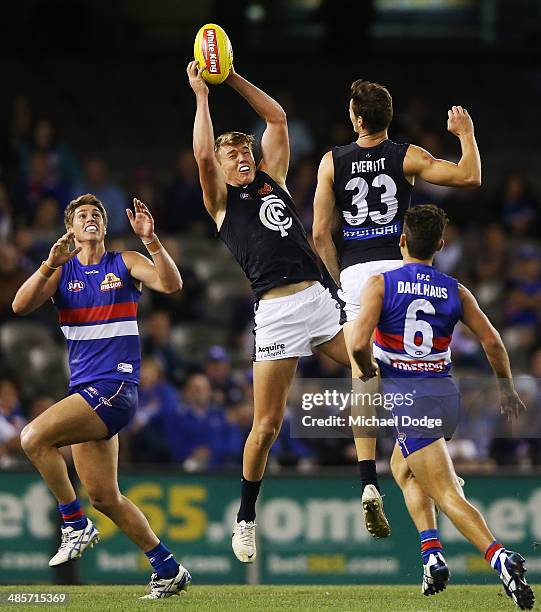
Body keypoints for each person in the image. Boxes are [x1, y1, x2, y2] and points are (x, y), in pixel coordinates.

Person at [187, 60, 350, 563]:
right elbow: (201, 155)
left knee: (378, 365)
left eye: (245, 150)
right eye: (232, 152)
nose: (241, 156)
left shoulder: (272, 178)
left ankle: (420, 453)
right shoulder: (221, 201)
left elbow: (276, 119)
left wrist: (230, 75)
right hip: (277, 312)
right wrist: (202, 95)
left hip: (320, 301)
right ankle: (246, 517)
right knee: (267, 426)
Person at [312, 78, 481, 536]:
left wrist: (336, 281)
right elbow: (469, 177)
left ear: (356, 118)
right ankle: (431, 461)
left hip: (356, 273)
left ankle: (368, 480)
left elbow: (320, 234)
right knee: (414, 370)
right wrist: (464, 133)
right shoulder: (406, 156)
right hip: (400, 267)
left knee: (362, 373)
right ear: (388, 119)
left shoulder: (332, 162)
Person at [351, 205, 534, 610]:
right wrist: (505, 389)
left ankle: (500, 558)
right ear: (440, 244)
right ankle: (431, 554)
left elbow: (359, 344)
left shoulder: (381, 283)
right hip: (444, 397)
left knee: (447, 493)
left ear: (402, 241)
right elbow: (492, 342)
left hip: (410, 399)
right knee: (403, 467)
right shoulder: (456, 289)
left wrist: (367, 373)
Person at [12, 193, 190, 599]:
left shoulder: (124, 262)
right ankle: (167, 568)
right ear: (70, 229)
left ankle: (73, 522)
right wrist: (48, 264)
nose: (89, 219)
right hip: (86, 393)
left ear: (104, 228)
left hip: (115, 386)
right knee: (106, 497)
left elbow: (171, 283)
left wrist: (152, 241)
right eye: (81, 216)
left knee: (32, 438)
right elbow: (19, 305)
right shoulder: (61, 271)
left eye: (96, 215)